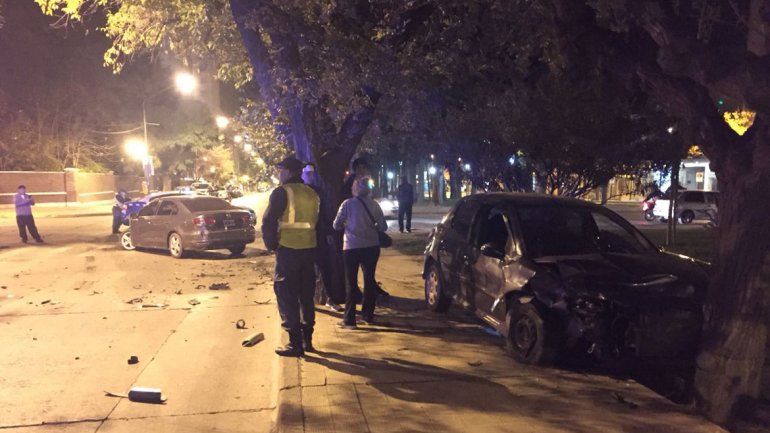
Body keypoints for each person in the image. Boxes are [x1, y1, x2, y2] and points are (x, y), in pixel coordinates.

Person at [262, 156, 321, 357]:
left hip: (288, 251)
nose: (278, 173)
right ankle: (308, 341)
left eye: (280, 170)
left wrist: (272, 246)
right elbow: (320, 223)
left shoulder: (282, 193)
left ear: (287, 171)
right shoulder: (313, 193)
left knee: (287, 295)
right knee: (306, 296)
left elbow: (268, 221)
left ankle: (294, 344)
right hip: (309, 251)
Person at [333, 178, 387, 328]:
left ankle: (349, 320)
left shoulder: (347, 204)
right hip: (371, 246)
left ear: (354, 189)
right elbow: (383, 227)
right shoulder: (375, 205)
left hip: (351, 247)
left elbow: (336, 224)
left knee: (351, 283)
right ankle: (368, 315)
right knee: (369, 281)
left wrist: (347, 225)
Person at [302, 163, 344, 312]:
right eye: (307, 173)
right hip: (303, 239)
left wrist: (328, 234)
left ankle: (329, 299)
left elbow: (324, 215)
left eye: (312, 173)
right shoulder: (299, 192)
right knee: (306, 271)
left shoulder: (318, 191)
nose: (310, 175)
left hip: (319, 238)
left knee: (325, 269)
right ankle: (306, 301)